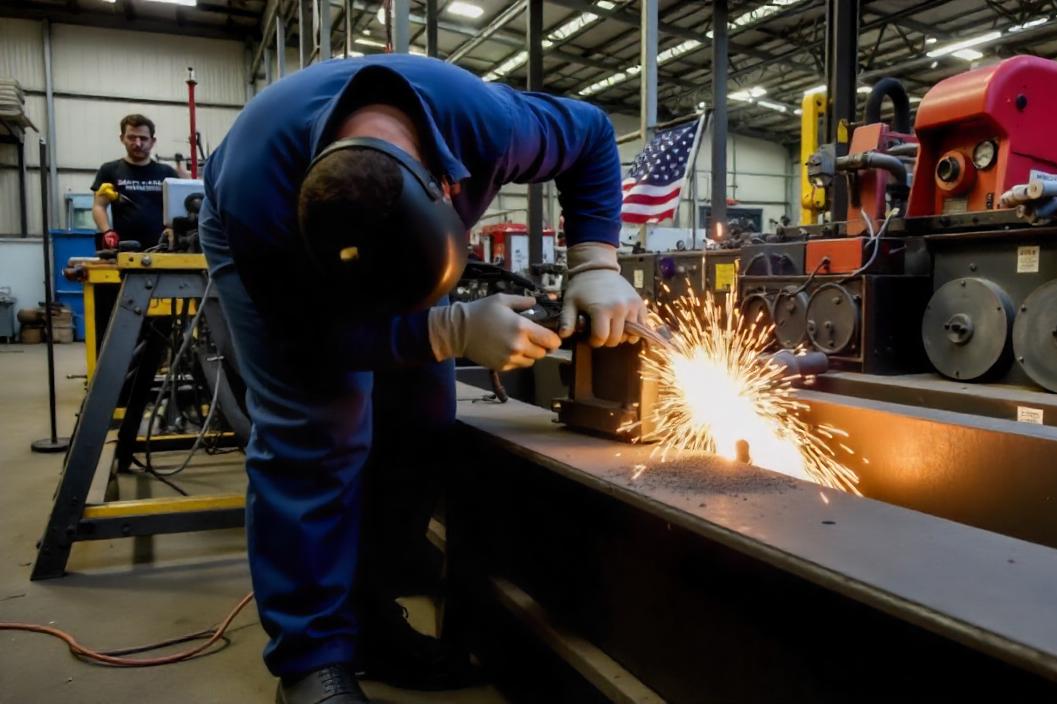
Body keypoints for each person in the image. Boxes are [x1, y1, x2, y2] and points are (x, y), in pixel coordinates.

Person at [199, 54, 646, 704]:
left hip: (398, 240)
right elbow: (311, 340)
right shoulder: (258, 197)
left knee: (423, 413)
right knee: (317, 425)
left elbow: (592, 135)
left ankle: (372, 618)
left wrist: (595, 260)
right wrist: (448, 331)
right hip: (270, 242)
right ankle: (311, 660)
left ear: (444, 186)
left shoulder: (489, 124)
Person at [91, 114, 184, 250]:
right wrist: (107, 232)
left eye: (143, 138)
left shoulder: (167, 173)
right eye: (131, 138)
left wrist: (173, 229)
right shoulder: (109, 170)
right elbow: (99, 206)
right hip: (123, 249)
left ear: (153, 141)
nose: (138, 143)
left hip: (162, 249)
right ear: (122, 138)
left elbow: (179, 209)